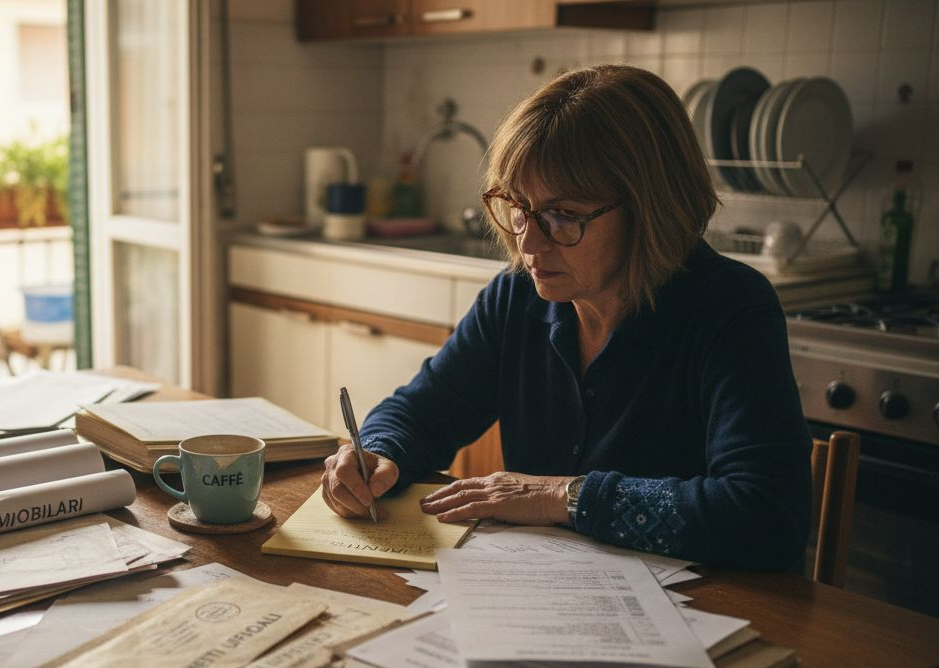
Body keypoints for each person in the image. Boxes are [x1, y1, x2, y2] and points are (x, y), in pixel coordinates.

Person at [320, 65, 812, 570]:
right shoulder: (518, 298)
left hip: (703, 617)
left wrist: (564, 496)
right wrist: (377, 455)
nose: (528, 244)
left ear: (651, 208)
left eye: (562, 216)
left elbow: (770, 516)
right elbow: (423, 410)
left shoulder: (730, 307)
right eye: (517, 207)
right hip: (548, 594)